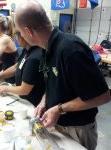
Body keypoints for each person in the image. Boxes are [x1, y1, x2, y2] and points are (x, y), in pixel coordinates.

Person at [15, 1, 111, 150]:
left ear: (28, 31)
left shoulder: (70, 50)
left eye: (20, 33)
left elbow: (102, 96)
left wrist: (58, 109)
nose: (20, 36)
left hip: (78, 127)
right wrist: (44, 101)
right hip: (59, 123)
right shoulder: (45, 48)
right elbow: (53, 80)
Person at [0, 31, 45, 106]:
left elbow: (24, 90)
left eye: (17, 37)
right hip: (22, 98)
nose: (16, 39)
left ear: (24, 37)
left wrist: (5, 88)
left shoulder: (34, 57)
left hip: (32, 103)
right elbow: (16, 67)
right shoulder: (27, 49)